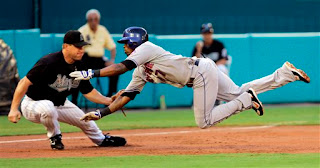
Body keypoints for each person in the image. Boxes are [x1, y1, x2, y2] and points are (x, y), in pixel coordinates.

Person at [70, 27, 310, 129]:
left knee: (203, 121)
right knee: (238, 91)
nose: (124, 46)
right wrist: (101, 113)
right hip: (203, 69)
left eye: (126, 43)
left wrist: (90, 72)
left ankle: (247, 101)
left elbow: (120, 67)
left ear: (134, 42)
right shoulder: (140, 70)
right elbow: (128, 95)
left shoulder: (146, 48)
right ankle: (285, 74)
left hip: (201, 73)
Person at [7, 30, 126, 150]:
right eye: (77, 46)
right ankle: (55, 138)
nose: (81, 50)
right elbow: (24, 82)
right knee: (48, 107)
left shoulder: (79, 65)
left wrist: (110, 101)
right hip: (33, 104)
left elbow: (88, 91)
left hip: (60, 104)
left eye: (83, 46)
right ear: (65, 46)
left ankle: (101, 139)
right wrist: (13, 109)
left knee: (84, 119)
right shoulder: (49, 62)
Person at [71, 9, 119, 105]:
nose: (93, 22)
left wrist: (112, 60)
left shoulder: (103, 30)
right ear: (87, 20)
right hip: (85, 59)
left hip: (99, 59)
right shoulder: (82, 30)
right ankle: (74, 101)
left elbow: (112, 47)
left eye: (95, 19)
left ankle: (109, 98)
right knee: (76, 74)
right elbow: (75, 48)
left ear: (98, 20)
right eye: (91, 19)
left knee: (115, 70)